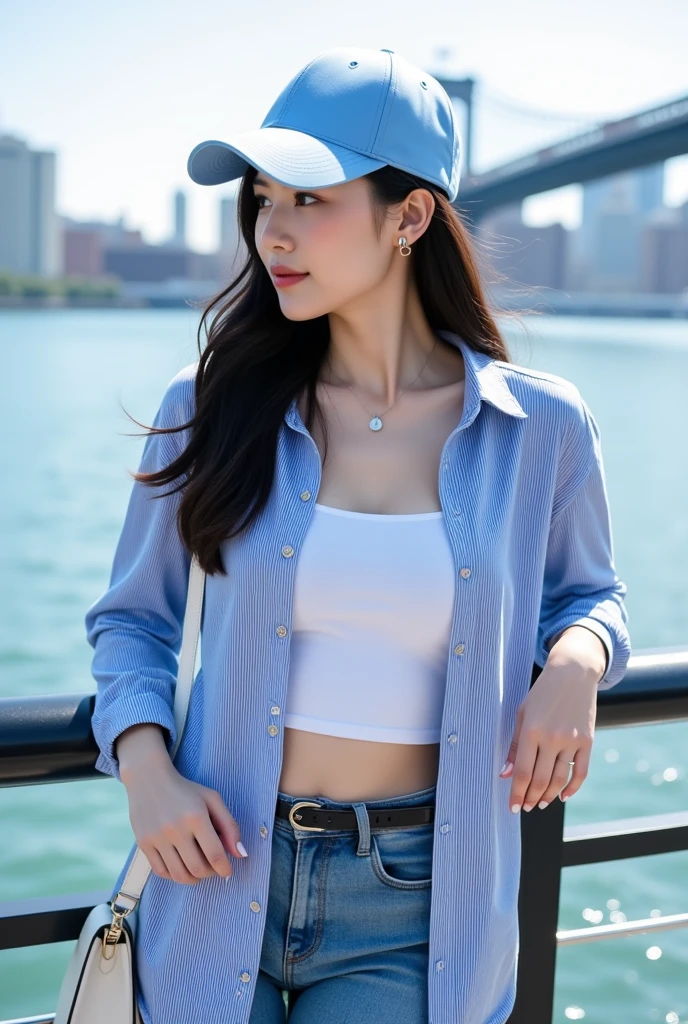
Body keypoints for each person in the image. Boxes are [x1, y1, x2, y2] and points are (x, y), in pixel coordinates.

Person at [85, 46, 631, 1024]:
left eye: (308, 199)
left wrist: (579, 659)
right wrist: (144, 768)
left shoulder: (537, 427)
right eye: (261, 198)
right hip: (215, 868)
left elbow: (589, 592)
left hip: (416, 907)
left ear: (409, 217)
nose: (271, 233)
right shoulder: (209, 405)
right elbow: (132, 620)